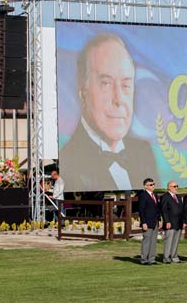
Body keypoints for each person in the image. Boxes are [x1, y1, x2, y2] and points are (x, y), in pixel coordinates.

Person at [60, 33, 158, 191]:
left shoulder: (143, 152)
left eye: (126, 85)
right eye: (105, 83)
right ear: (83, 92)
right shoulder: (69, 161)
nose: (118, 99)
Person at [138, 178, 161, 265]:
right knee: (146, 240)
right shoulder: (143, 195)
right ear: (145, 186)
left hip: (155, 221)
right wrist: (143, 222)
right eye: (151, 185)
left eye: (153, 184)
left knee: (153, 241)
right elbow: (141, 210)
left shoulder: (155, 195)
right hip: (147, 222)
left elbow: (157, 209)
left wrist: (159, 220)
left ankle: (152, 259)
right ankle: (144, 259)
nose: (153, 186)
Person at [160, 181, 183, 264]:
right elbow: (164, 210)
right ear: (169, 187)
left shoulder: (178, 196)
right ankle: (166, 258)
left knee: (176, 241)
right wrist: (167, 221)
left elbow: (181, 209)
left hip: (178, 222)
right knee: (169, 241)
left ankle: (174, 257)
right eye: (174, 186)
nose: (176, 188)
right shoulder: (165, 197)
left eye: (176, 186)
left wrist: (183, 221)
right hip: (170, 222)